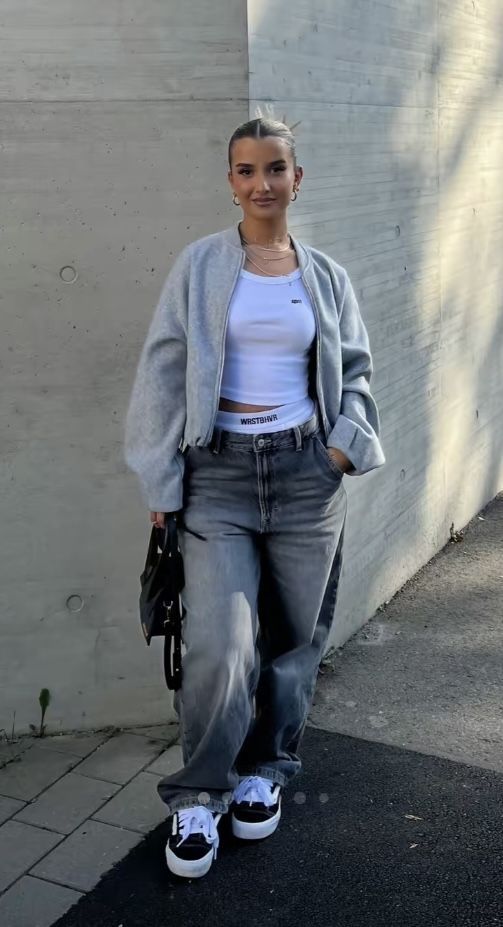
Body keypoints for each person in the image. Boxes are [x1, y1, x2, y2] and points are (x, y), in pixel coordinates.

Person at [124, 114, 385, 880]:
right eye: (245, 170)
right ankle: (198, 794)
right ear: (230, 181)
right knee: (220, 644)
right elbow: (163, 372)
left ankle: (265, 768)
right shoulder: (200, 266)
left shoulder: (325, 275)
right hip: (220, 477)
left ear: (295, 179)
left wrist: (342, 445)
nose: (261, 183)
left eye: (275, 168)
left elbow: (358, 370)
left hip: (308, 476)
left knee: (295, 638)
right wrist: (161, 479)